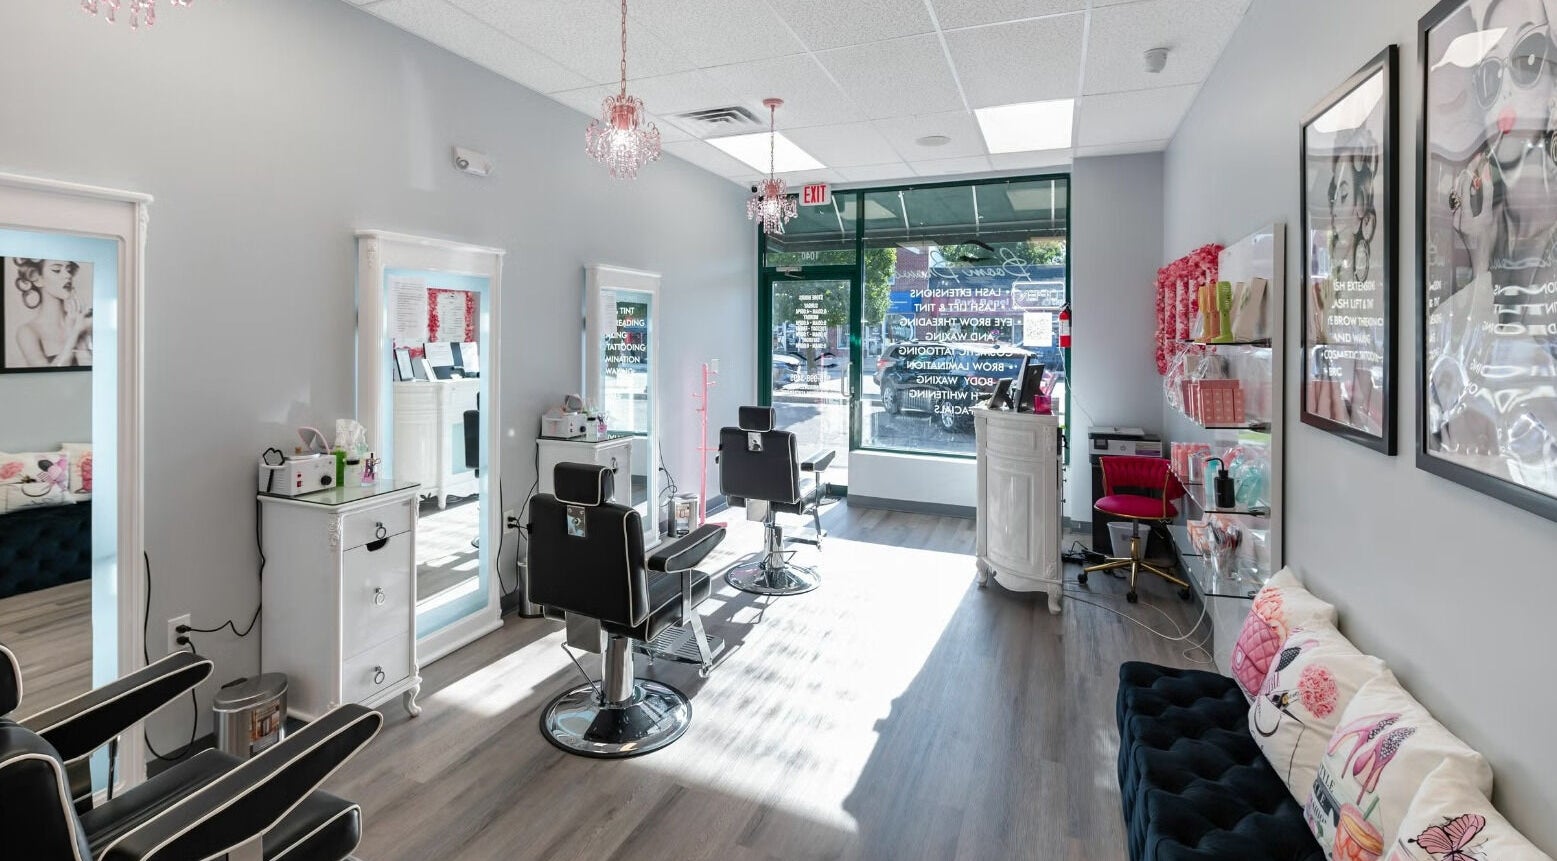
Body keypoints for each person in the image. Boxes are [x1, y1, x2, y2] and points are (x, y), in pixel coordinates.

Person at [11, 258, 91, 367]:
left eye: (69, 269)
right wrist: (75, 332)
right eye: (56, 270)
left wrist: (79, 330)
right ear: (38, 278)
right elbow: (45, 378)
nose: (68, 275)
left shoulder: (83, 321)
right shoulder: (28, 332)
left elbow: (90, 371)